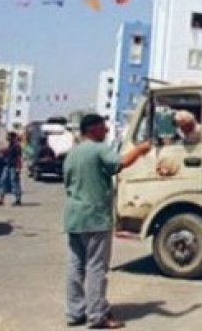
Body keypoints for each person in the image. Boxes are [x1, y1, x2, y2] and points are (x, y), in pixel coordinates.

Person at [63, 113, 151, 329]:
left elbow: (67, 184)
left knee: (76, 267)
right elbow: (121, 163)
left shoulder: (72, 154)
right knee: (96, 268)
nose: (107, 131)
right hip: (95, 218)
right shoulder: (98, 148)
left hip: (74, 218)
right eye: (103, 128)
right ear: (92, 130)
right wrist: (140, 149)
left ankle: (75, 312)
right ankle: (97, 315)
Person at [0, 132, 22, 205]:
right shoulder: (10, 145)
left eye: (10, 137)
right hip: (7, 166)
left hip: (14, 167)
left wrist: (18, 168)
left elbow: (19, 158)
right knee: (2, 182)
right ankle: (1, 199)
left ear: (14, 137)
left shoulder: (17, 146)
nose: (8, 138)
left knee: (14, 182)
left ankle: (18, 200)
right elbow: (6, 152)